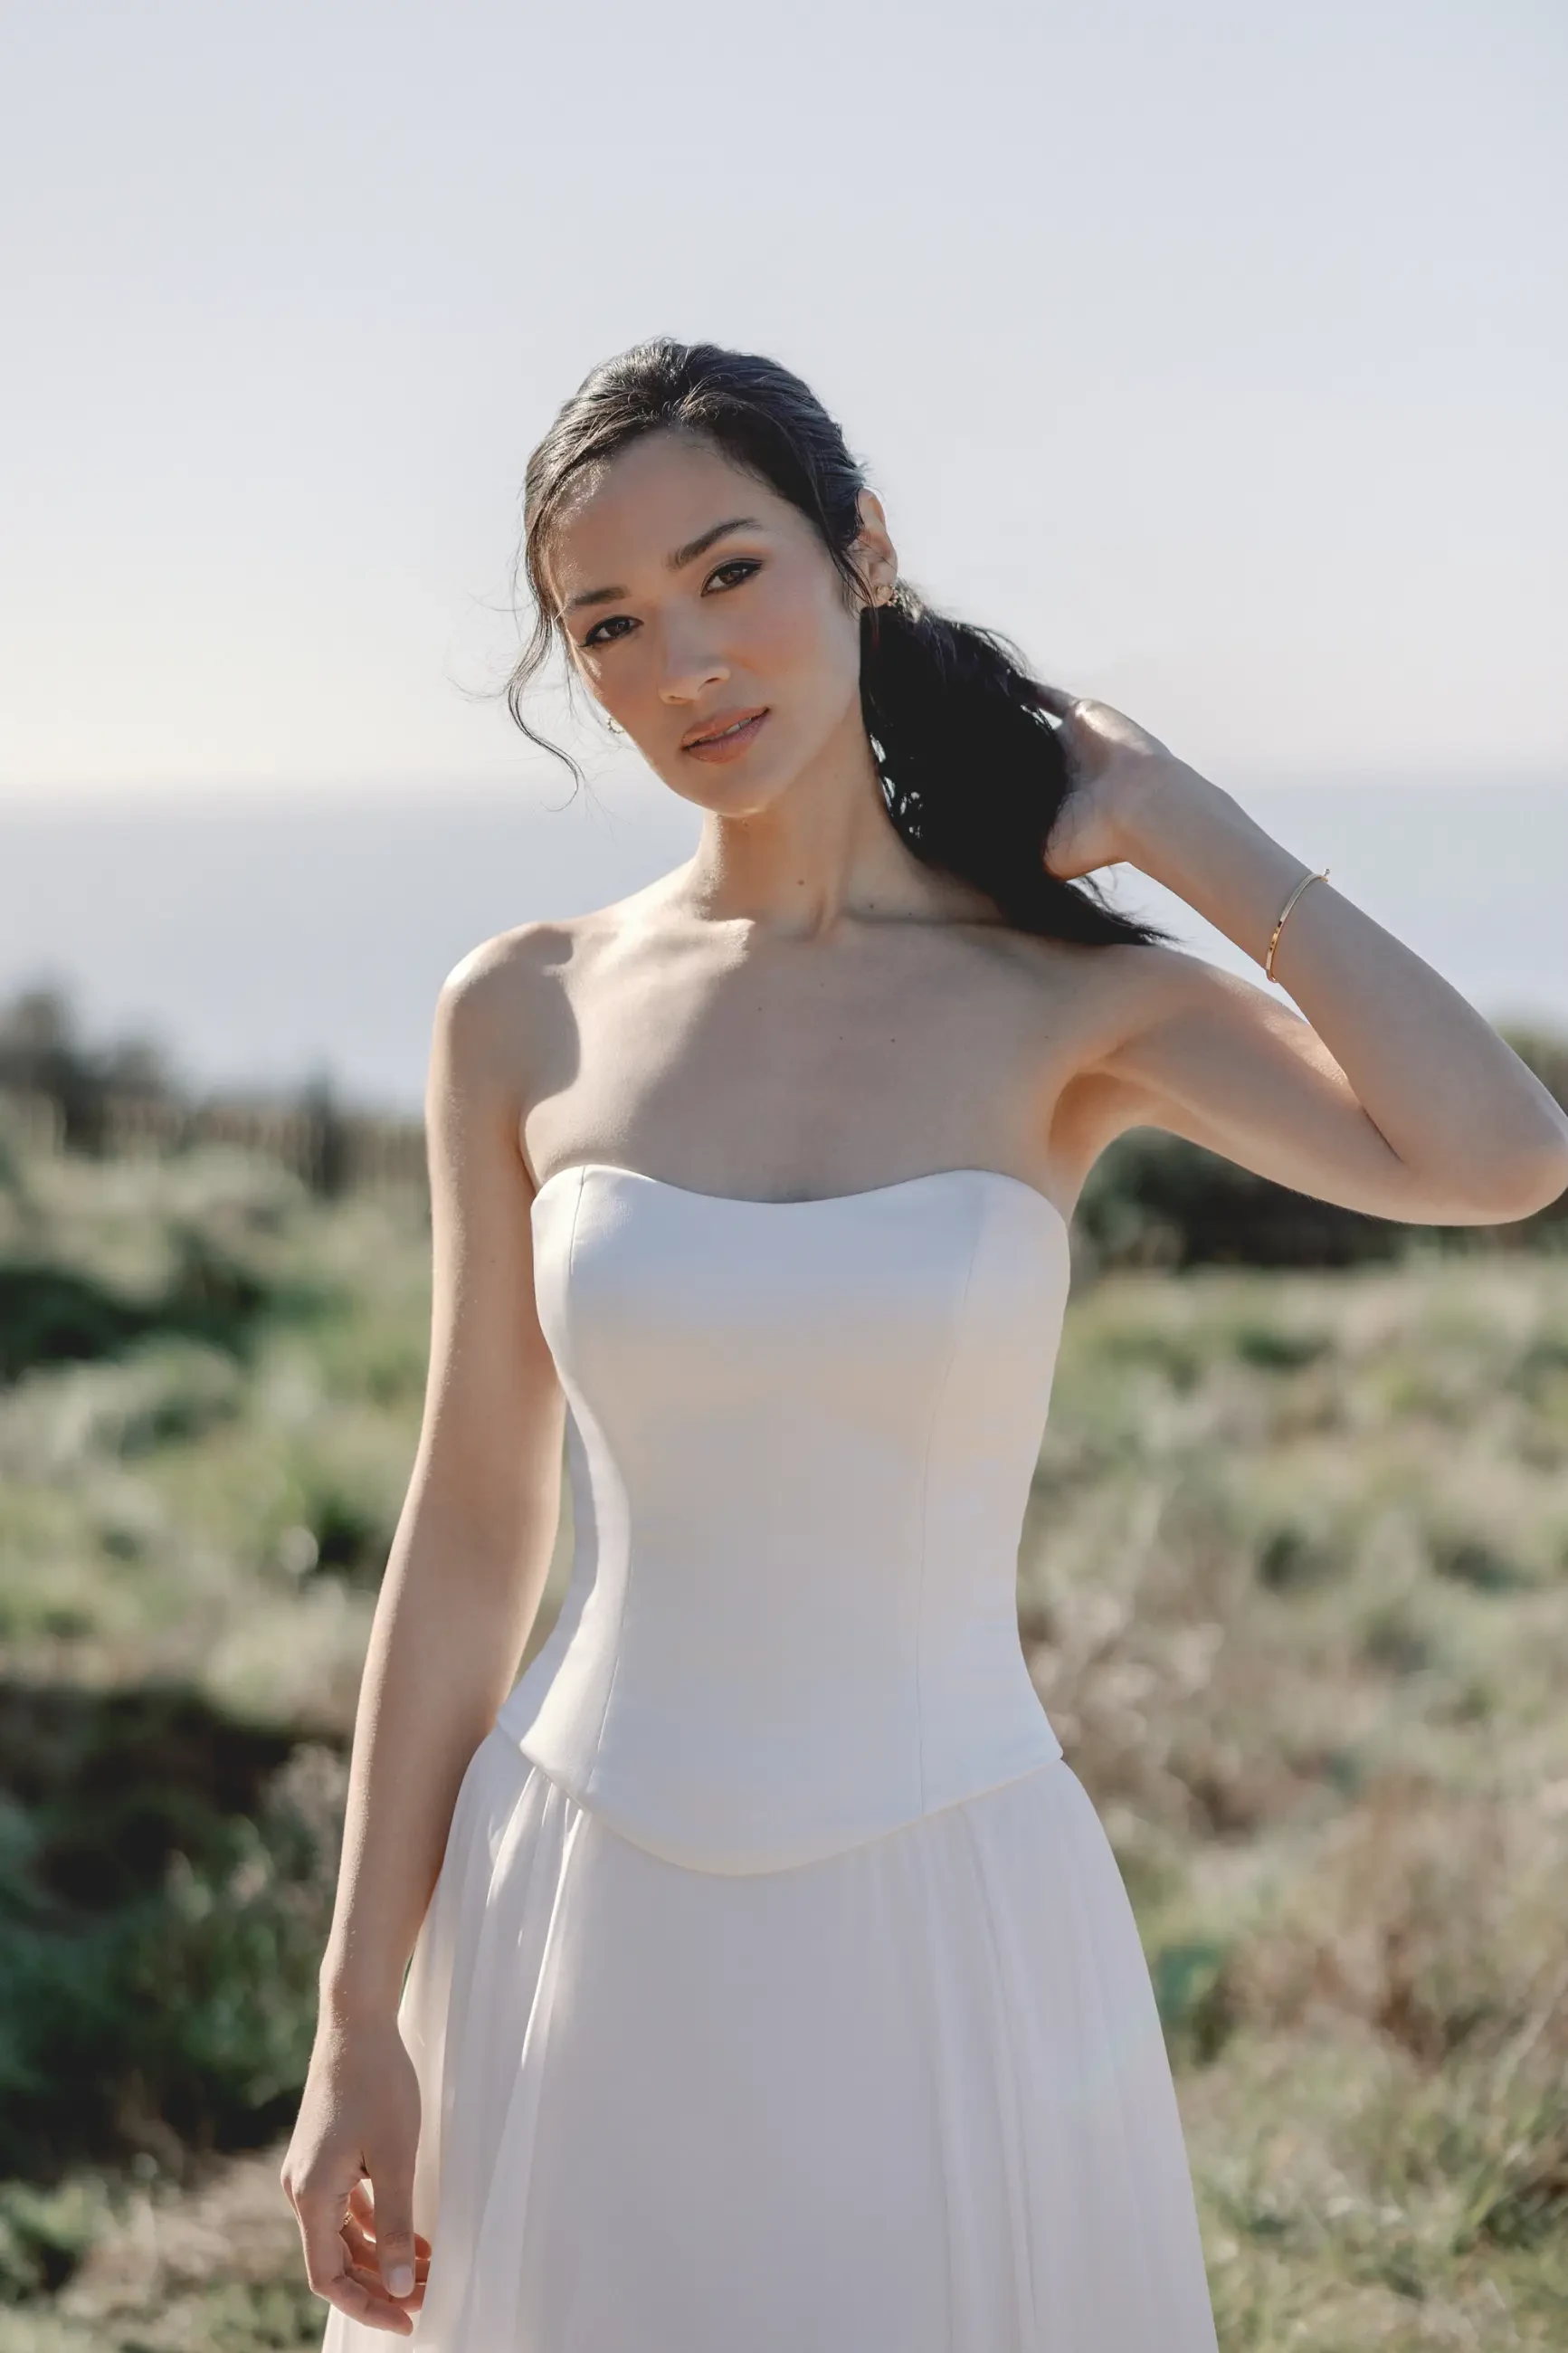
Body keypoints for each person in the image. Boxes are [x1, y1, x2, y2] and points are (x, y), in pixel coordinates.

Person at [280, 339, 1568, 2350]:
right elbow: (464, 1532)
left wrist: (1184, 827)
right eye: (608, 626)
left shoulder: (1058, 1003)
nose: (682, 663)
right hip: (578, 1903)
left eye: (729, 574)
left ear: (859, 551)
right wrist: (358, 2014)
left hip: (944, 1918)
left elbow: (1497, 1157)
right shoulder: (521, 1011)